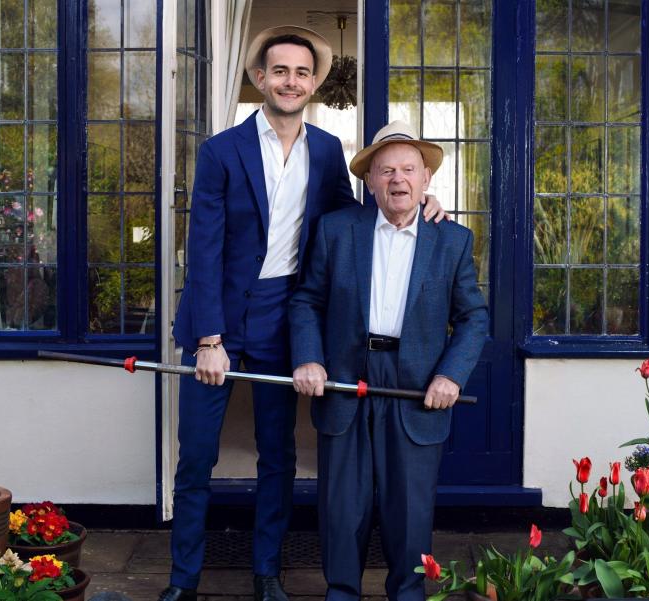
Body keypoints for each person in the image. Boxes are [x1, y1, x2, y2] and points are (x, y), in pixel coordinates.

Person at [161, 27, 444, 601]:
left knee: (277, 455)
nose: (290, 81)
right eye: (279, 71)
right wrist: (209, 338)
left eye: (301, 72)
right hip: (218, 316)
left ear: (313, 84)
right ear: (260, 79)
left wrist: (423, 199)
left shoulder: (326, 151)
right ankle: (182, 581)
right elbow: (205, 245)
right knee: (196, 457)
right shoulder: (221, 151)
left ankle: (268, 573)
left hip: (283, 315)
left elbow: (352, 221)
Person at [290, 121, 488, 601]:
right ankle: (341, 593)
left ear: (425, 180)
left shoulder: (452, 240)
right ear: (370, 180)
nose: (397, 179)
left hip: (417, 387)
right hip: (344, 380)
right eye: (386, 170)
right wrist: (309, 358)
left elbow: (473, 318)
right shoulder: (336, 230)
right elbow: (306, 302)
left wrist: (450, 374)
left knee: (409, 508)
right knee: (342, 507)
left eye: (408, 169)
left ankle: (407, 595)